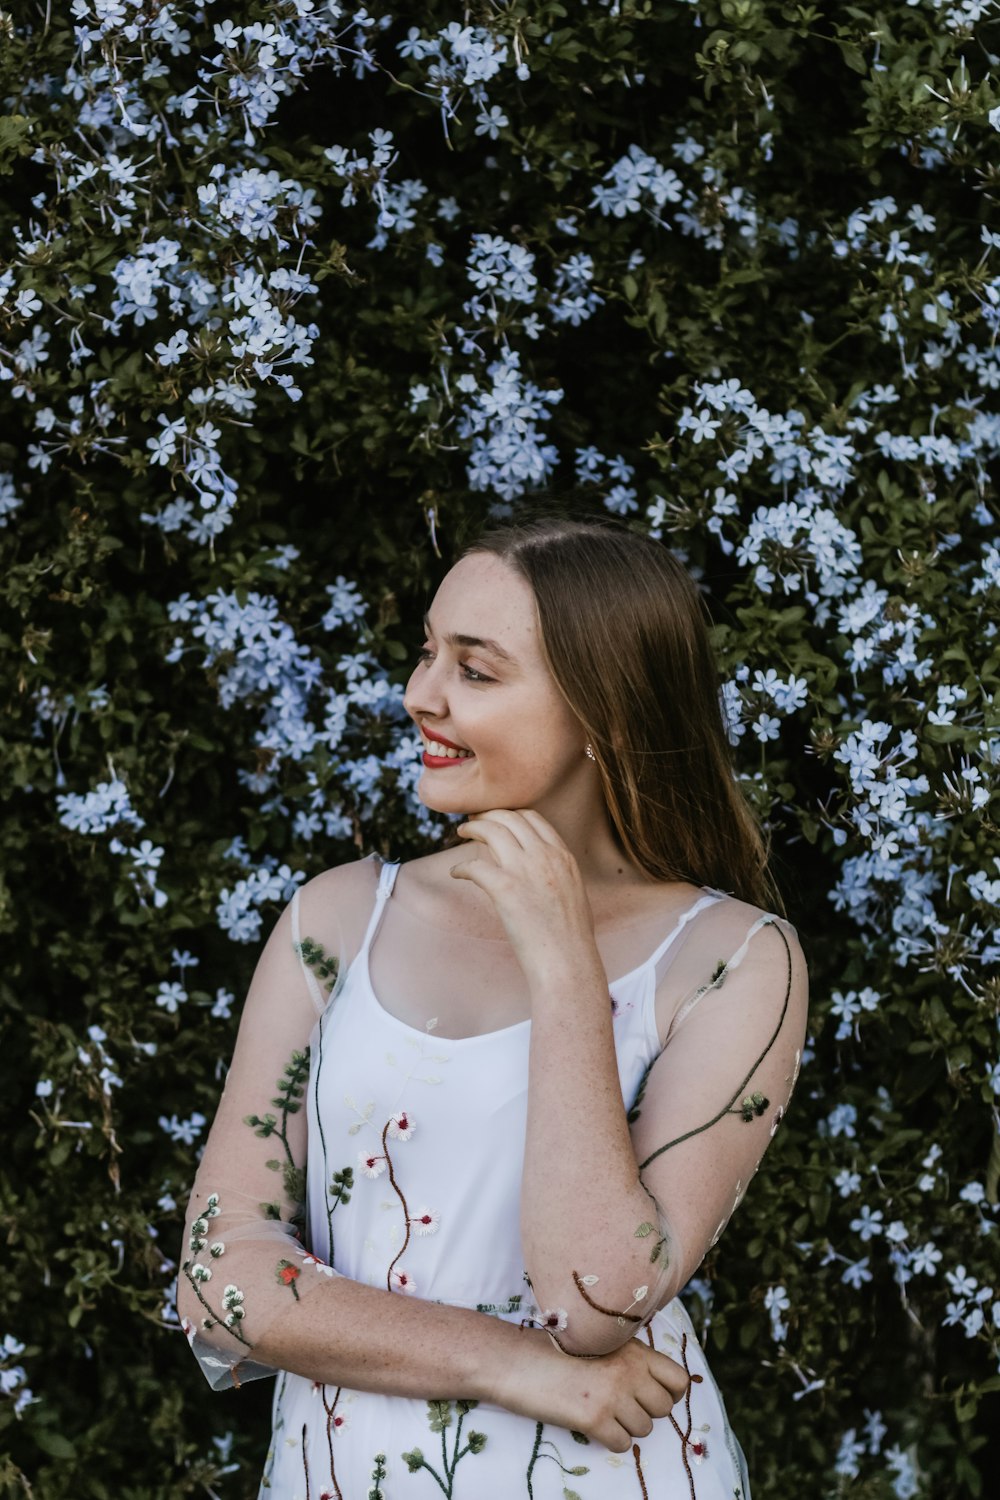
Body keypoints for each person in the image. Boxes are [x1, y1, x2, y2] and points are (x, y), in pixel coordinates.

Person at [178, 516, 809, 1499]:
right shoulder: (336, 921)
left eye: (475, 671)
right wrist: (518, 1370)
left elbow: (598, 1301)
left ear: (603, 709)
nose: (418, 694)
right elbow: (218, 1276)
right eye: (428, 653)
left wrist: (560, 960)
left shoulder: (733, 962)